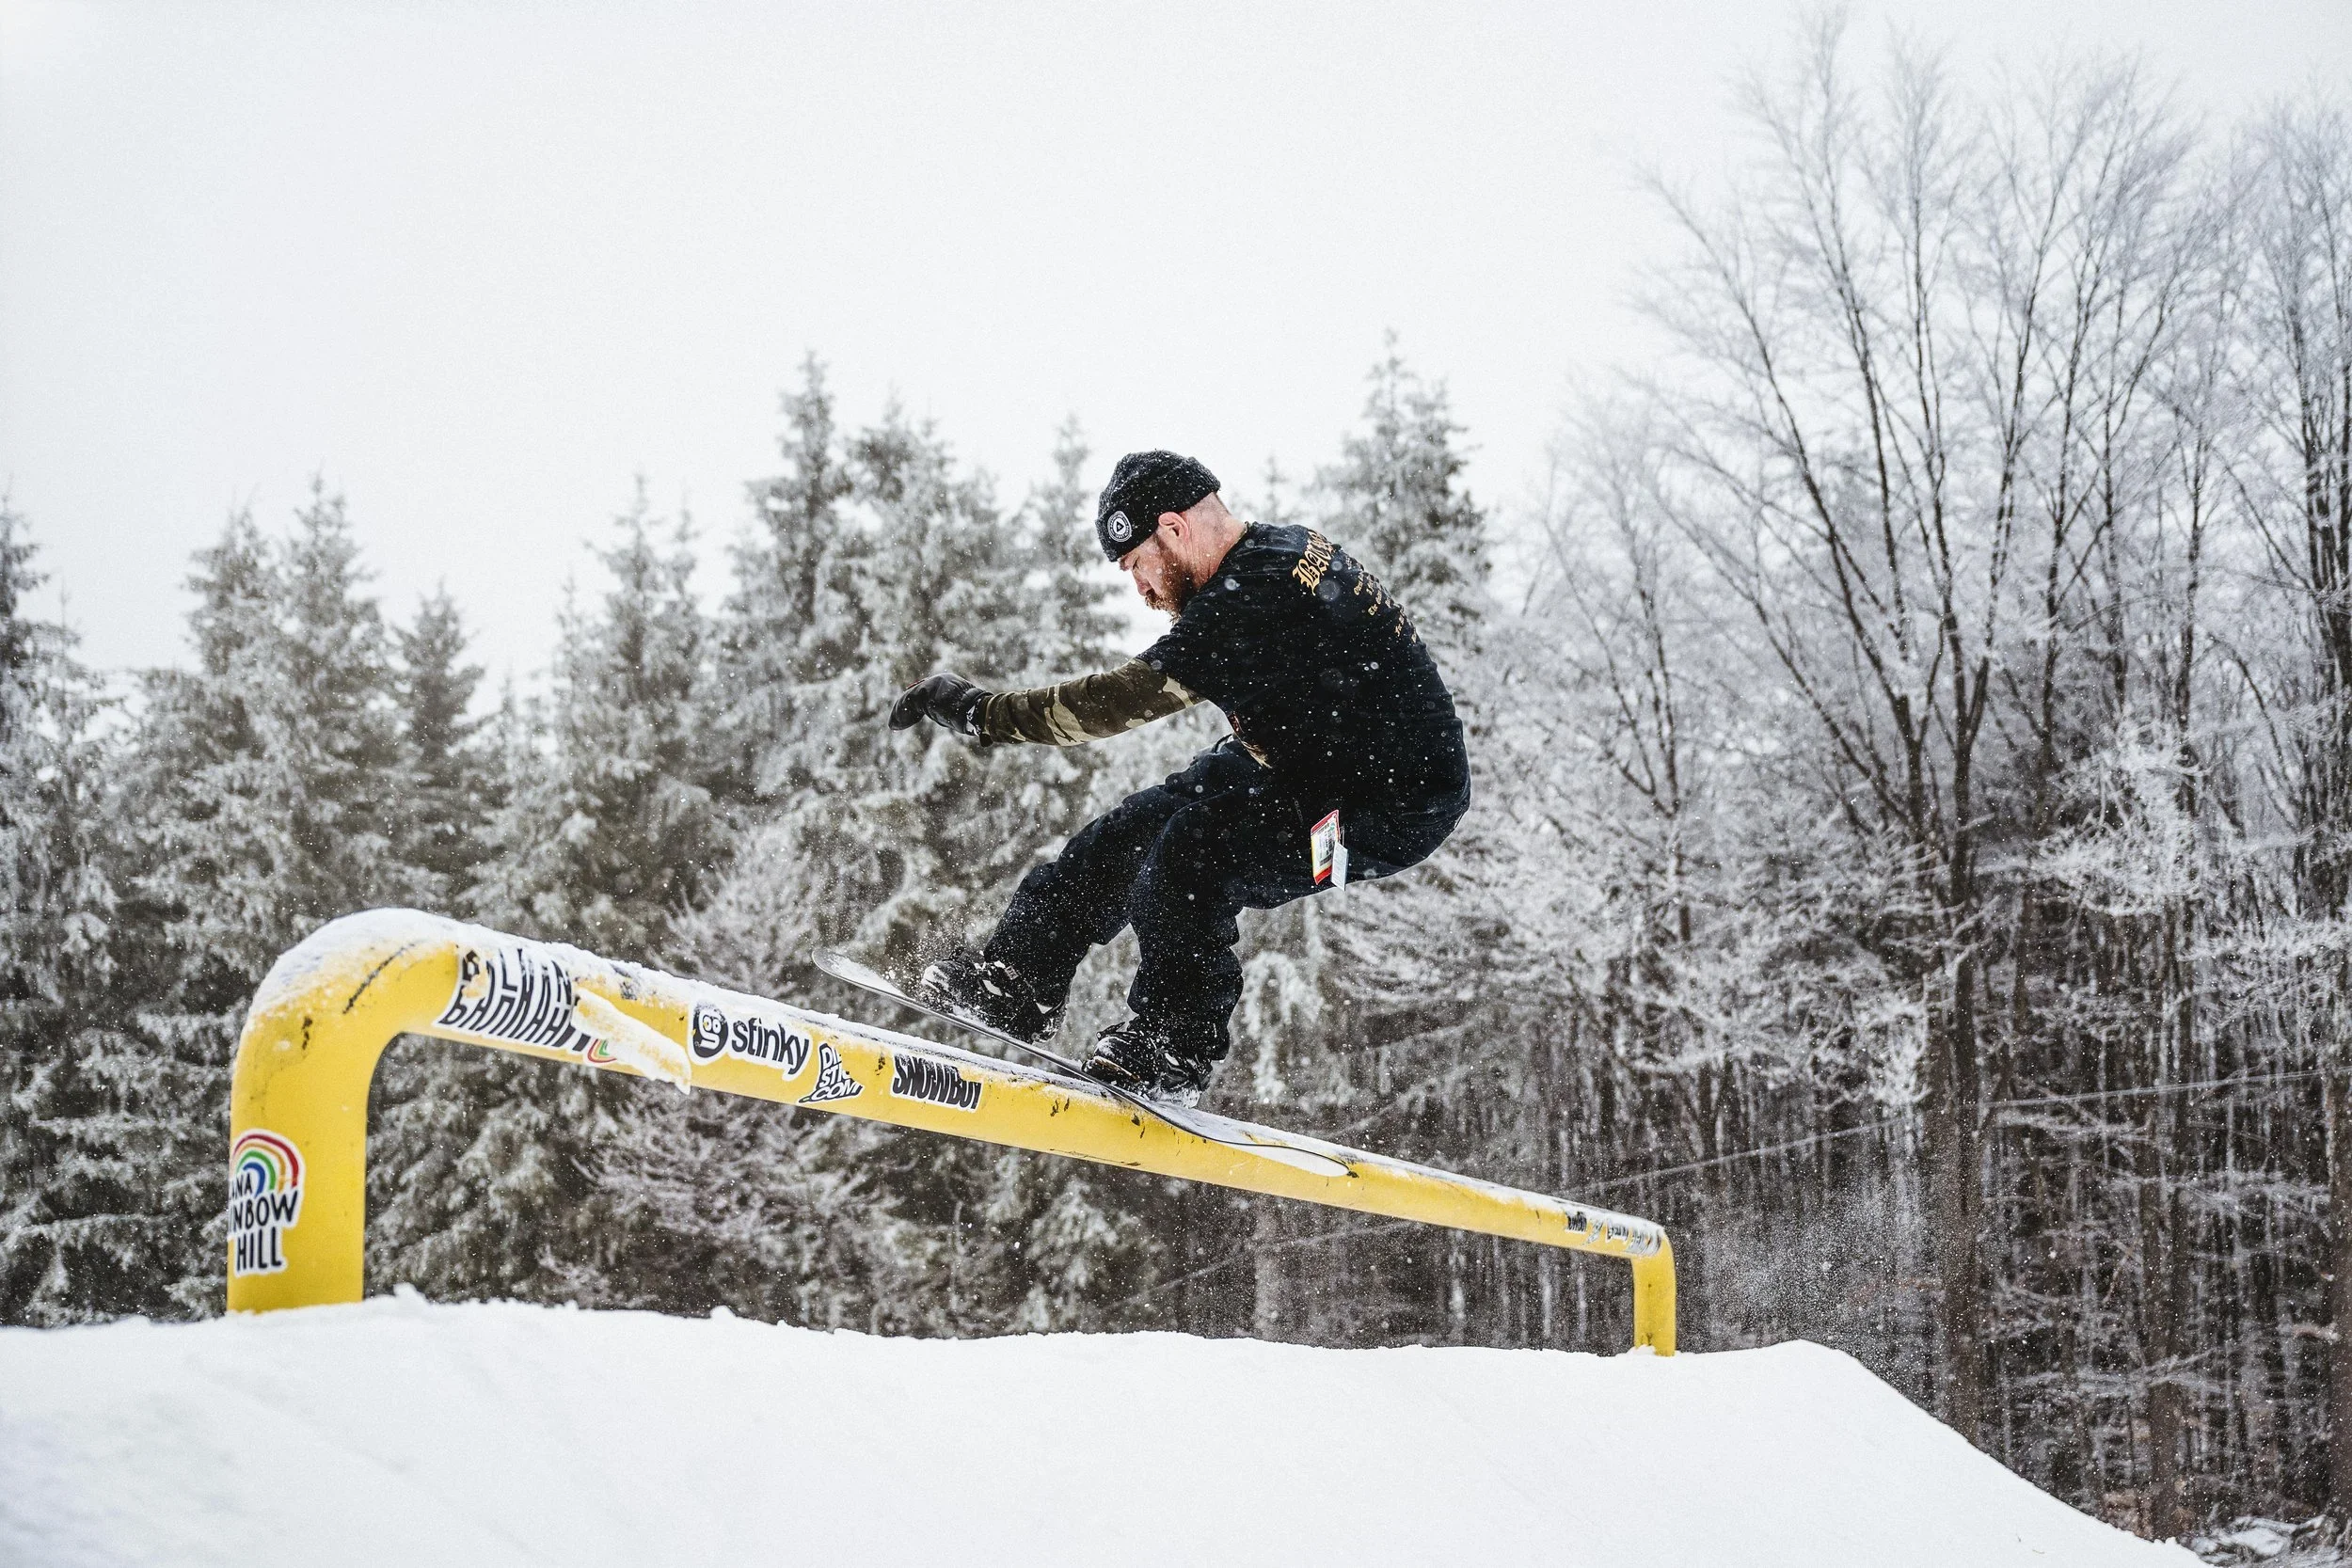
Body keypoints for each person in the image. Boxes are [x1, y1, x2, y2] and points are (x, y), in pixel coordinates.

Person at [888, 450, 1470, 1104]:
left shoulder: (1249, 597)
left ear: (1173, 528)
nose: (1140, 590)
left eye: (1137, 565)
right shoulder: (1274, 553)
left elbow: (1104, 704)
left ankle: (1177, 1043)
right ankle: (1020, 979)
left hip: (1389, 803)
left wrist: (976, 711)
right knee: (1132, 828)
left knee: (1196, 852)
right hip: (1304, 761)